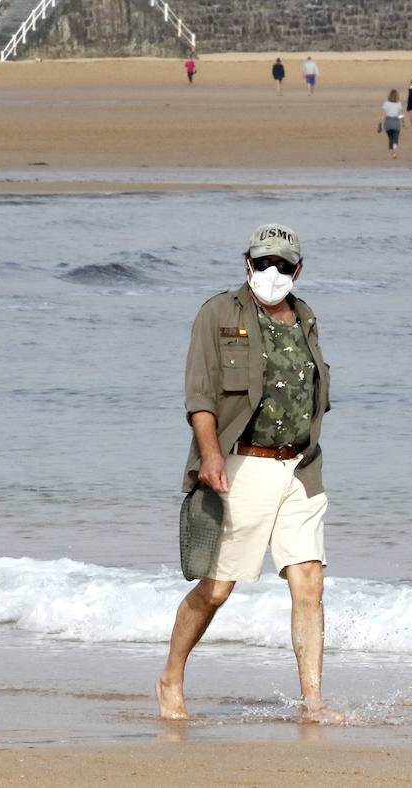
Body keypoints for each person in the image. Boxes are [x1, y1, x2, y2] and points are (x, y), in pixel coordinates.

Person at [156, 224, 338, 723]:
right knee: (217, 588)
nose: (272, 273)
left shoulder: (306, 316)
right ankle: (171, 676)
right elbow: (200, 396)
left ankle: (313, 703)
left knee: (309, 581)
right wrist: (211, 456)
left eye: (283, 265)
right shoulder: (217, 314)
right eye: (263, 263)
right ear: (247, 264)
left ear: (297, 270)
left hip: (301, 466)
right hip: (242, 464)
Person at [380, 88, 403, 158]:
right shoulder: (399, 104)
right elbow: (400, 115)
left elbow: (383, 115)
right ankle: (394, 152)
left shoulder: (386, 103)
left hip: (388, 122)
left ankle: (392, 153)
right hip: (396, 122)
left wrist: (380, 124)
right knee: (395, 138)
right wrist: (403, 122)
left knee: (390, 138)